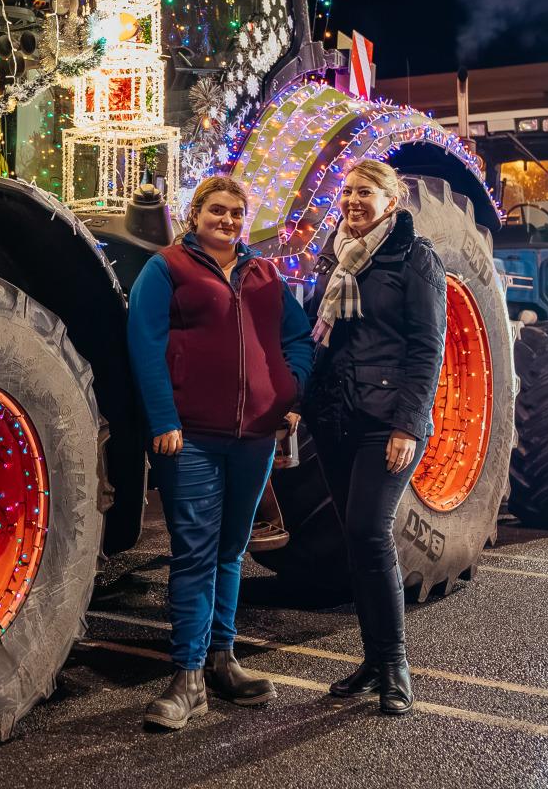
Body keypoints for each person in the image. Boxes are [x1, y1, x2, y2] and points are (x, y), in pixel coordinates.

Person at [127, 174, 315, 729]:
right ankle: (187, 677)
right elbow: (144, 344)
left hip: (254, 437)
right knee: (194, 552)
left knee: (231, 550)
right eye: (217, 210)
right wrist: (163, 419)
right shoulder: (166, 268)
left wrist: (290, 392)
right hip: (189, 437)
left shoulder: (265, 275)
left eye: (236, 212)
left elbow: (298, 337)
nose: (227, 220)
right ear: (195, 215)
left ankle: (222, 660)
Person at [303, 159, 446, 715]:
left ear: (391, 200)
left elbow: (427, 348)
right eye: (347, 192)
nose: (353, 201)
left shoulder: (414, 258)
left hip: (386, 422)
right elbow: (320, 337)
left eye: (365, 192)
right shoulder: (335, 255)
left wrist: (408, 424)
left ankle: (395, 664)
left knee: (369, 531)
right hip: (336, 417)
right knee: (354, 540)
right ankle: (371, 660)